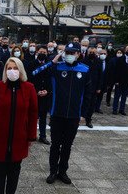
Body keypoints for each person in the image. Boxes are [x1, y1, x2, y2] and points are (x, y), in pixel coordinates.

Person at [31, 42, 92, 185]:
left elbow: (88, 95)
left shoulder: (85, 70)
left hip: (74, 115)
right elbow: (35, 73)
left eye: (72, 53)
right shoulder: (57, 68)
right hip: (57, 114)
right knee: (55, 145)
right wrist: (52, 61)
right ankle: (53, 171)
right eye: (67, 53)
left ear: (78, 54)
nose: (70, 55)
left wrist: (84, 114)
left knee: (67, 146)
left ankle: (62, 171)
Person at [0, 57, 38, 194]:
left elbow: (33, 113)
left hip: (19, 138)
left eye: (15, 68)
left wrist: (31, 136)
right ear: (5, 70)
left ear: (20, 70)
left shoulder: (29, 88)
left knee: (14, 170)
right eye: (9, 68)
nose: (12, 71)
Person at [27, 45, 51, 144]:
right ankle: (30, 135)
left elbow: (51, 80)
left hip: (45, 95)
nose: (42, 54)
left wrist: (47, 91)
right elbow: (28, 79)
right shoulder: (31, 64)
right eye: (41, 52)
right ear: (37, 52)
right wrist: (36, 91)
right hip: (34, 94)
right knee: (32, 116)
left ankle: (43, 136)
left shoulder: (49, 65)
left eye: (44, 53)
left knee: (43, 117)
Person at [112, 45, 128, 115]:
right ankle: (115, 109)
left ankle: (122, 110)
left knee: (124, 96)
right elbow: (116, 71)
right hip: (120, 81)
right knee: (117, 96)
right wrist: (116, 81)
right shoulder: (120, 59)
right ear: (125, 50)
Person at [82, 46, 102, 128]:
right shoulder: (83, 61)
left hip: (94, 87)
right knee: (83, 103)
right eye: (90, 52)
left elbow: (100, 75)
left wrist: (99, 87)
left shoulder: (98, 61)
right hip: (84, 86)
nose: (92, 54)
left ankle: (88, 120)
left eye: (93, 53)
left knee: (92, 105)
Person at [94, 48, 113, 114]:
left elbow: (110, 74)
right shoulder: (96, 61)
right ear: (99, 54)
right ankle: (92, 107)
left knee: (100, 96)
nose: (103, 55)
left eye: (104, 54)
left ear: (107, 54)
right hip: (96, 82)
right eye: (101, 53)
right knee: (94, 96)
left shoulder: (108, 62)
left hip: (104, 83)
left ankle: (97, 108)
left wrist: (109, 84)